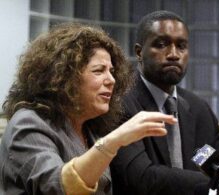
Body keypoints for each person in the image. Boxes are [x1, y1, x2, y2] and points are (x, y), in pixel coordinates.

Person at [0, 23, 176, 195]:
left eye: (112, 71)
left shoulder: (90, 129)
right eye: (99, 71)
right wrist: (112, 142)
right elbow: (57, 188)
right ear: (63, 77)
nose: (111, 80)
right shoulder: (29, 123)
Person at [110, 10, 219, 195]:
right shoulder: (119, 103)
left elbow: (213, 158)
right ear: (139, 52)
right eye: (162, 44)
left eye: (181, 46)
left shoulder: (196, 108)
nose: (173, 54)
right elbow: (142, 178)